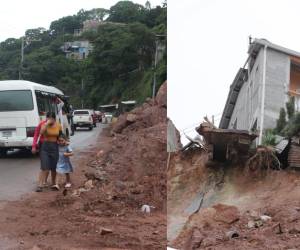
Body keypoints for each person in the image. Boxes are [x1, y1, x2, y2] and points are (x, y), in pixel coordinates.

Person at [36, 112, 62, 192]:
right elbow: (40, 133)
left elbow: (60, 135)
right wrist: (47, 123)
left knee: (54, 167)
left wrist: (62, 141)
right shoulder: (44, 125)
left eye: (51, 118)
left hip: (54, 146)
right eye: (48, 118)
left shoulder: (58, 125)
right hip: (45, 147)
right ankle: (40, 185)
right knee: (44, 167)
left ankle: (54, 183)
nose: (50, 120)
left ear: (54, 119)